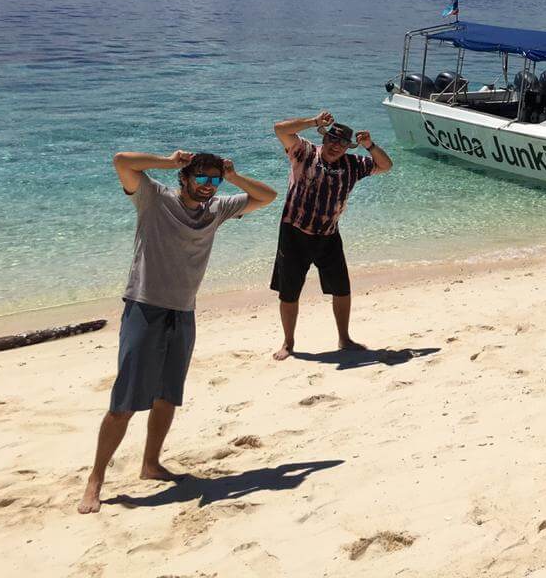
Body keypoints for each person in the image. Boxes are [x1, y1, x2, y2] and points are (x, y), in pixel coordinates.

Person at [78, 150, 277, 514]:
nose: (208, 186)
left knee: (168, 396)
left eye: (214, 180)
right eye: (201, 178)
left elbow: (268, 196)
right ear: (184, 177)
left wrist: (232, 177)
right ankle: (95, 479)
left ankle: (150, 465)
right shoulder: (154, 198)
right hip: (145, 307)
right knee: (124, 403)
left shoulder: (217, 210)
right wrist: (169, 162)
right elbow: (122, 161)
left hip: (184, 312)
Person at [271, 110, 393, 360]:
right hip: (294, 232)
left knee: (342, 289)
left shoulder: (354, 164)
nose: (336, 147)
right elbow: (280, 129)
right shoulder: (304, 152)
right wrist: (313, 122)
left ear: (348, 147)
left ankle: (344, 338)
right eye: (332, 140)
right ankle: (288, 342)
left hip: (328, 235)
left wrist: (369, 145)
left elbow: (385, 165)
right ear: (323, 138)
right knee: (289, 292)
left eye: (342, 144)